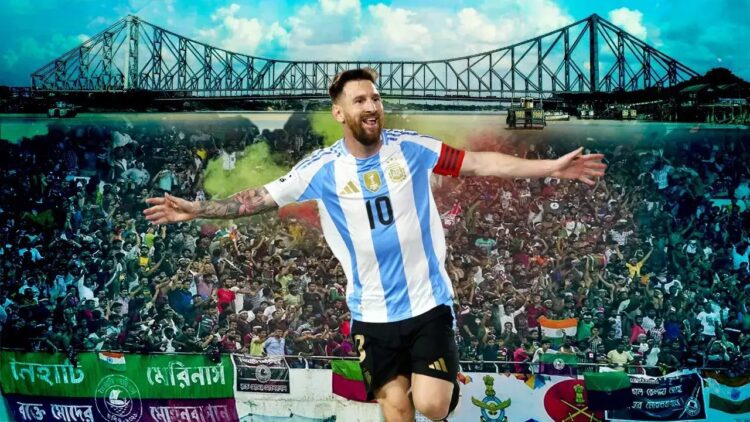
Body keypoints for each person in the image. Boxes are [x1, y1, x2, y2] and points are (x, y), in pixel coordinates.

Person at [143, 68, 606, 422]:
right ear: (339, 113)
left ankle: (441, 386)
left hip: (427, 303)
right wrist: (197, 209)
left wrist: (551, 168)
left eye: (376, 98)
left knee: (431, 406)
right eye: (360, 99)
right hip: (371, 312)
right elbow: (257, 198)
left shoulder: (411, 148)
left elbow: (481, 162)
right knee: (396, 409)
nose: (371, 106)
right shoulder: (321, 168)